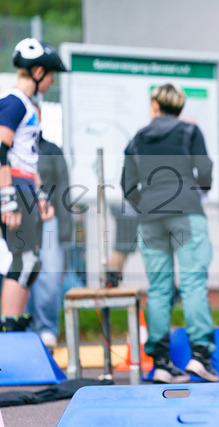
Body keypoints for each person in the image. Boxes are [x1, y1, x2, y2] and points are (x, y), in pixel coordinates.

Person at [121, 83, 218, 384]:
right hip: (185, 211)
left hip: (150, 217)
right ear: (180, 106)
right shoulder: (189, 132)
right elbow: (205, 170)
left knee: (159, 288)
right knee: (192, 282)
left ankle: (161, 362)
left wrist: (148, 204)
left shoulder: (137, 138)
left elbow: (127, 186)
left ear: (155, 105)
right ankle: (200, 356)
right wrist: (197, 189)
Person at [0, 39, 63, 332]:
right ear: (38, 72)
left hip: (25, 187)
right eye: (51, 75)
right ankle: (8, 326)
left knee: (31, 261)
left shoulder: (29, 106)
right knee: (24, 259)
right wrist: (7, 199)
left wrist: (40, 195)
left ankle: (14, 322)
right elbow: (1, 149)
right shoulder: (14, 102)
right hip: (12, 187)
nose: (52, 81)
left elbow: (28, 156)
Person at [25, 105, 72, 349]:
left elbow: (64, 189)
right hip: (20, 221)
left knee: (49, 276)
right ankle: (23, 328)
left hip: (49, 221)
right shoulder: (9, 151)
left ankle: (46, 329)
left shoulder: (52, 150)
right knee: (22, 275)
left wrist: (65, 229)